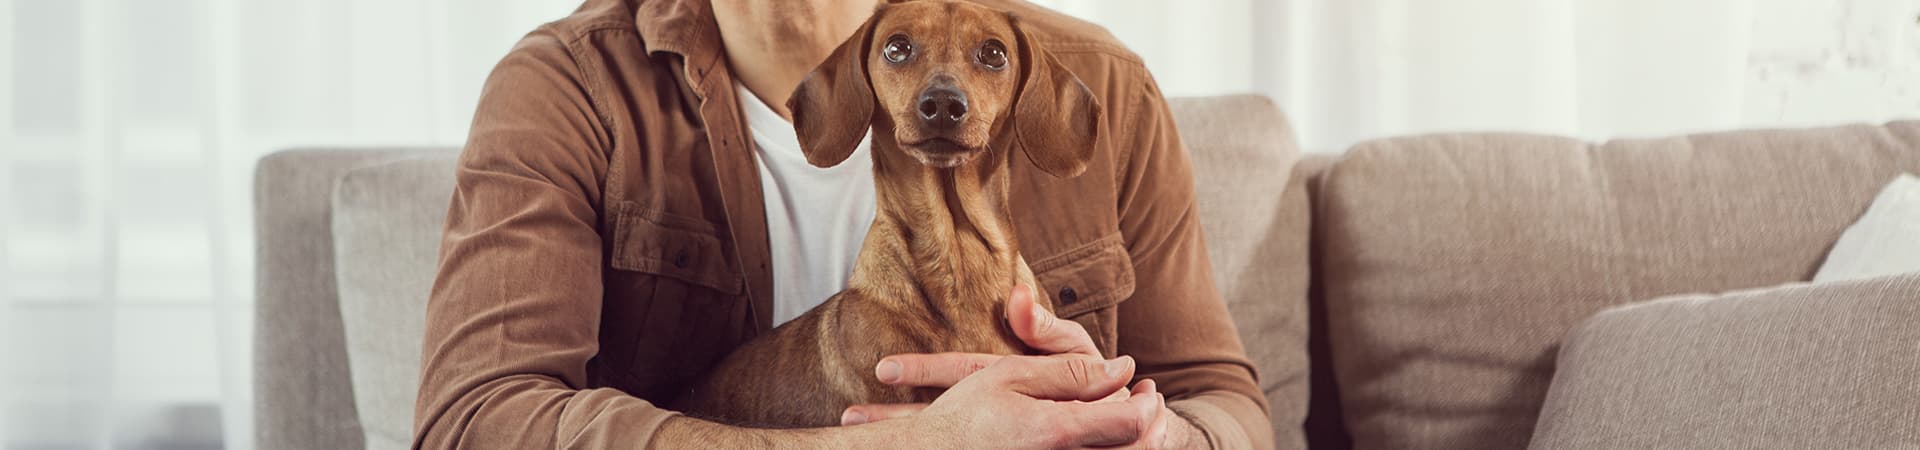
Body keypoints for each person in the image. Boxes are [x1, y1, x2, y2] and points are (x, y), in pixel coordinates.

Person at [411, 0, 1273, 448]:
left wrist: (1150, 435)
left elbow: (1228, 406)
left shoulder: (1093, 82)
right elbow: (472, 424)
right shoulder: (569, 91)